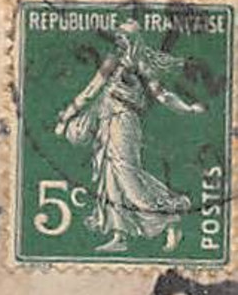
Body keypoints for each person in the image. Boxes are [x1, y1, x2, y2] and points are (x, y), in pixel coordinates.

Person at [55, 19, 207, 254]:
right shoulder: (115, 60)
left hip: (124, 122)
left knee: (128, 177)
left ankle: (170, 218)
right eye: (119, 36)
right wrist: (69, 115)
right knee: (110, 177)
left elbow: (161, 95)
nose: (119, 40)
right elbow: (92, 90)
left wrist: (187, 108)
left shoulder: (140, 65)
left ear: (134, 40)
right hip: (107, 121)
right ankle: (119, 235)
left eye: (124, 37)